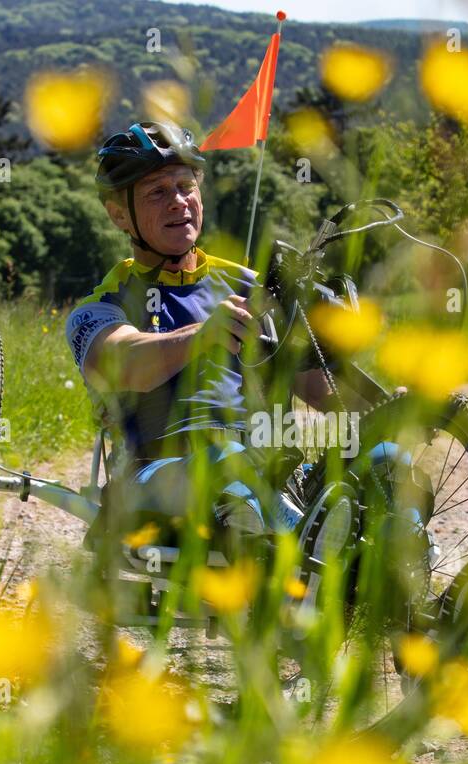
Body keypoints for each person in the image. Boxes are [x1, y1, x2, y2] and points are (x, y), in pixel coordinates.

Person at [66, 121, 333, 534]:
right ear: (119, 214)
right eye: (157, 191)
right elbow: (123, 363)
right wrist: (203, 335)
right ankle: (296, 535)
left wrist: (383, 411)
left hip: (268, 467)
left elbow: (318, 389)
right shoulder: (103, 305)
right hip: (154, 478)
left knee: (387, 460)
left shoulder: (251, 286)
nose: (178, 202)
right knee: (228, 458)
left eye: (186, 186)